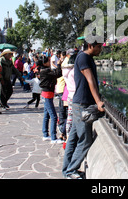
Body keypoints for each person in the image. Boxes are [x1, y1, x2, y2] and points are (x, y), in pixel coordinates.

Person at [62, 37, 104, 179]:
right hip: (82, 105)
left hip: (79, 103)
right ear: (91, 46)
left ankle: (67, 170)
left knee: (73, 139)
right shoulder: (84, 58)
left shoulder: (85, 57)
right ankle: (71, 171)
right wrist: (98, 101)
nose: (101, 49)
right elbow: (90, 80)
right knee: (85, 140)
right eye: (99, 46)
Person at [38, 55, 64, 144]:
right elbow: (58, 74)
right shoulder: (45, 71)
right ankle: (53, 137)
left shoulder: (43, 70)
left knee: (46, 115)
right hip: (47, 94)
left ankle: (45, 134)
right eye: (48, 61)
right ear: (44, 63)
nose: (50, 62)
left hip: (46, 94)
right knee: (53, 116)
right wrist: (59, 65)